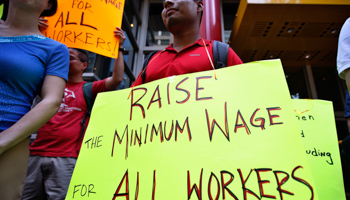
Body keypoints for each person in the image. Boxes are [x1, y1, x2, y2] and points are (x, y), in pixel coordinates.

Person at [21, 26, 125, 199]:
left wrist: (120, 48)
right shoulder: (48, 85)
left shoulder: (88, 89)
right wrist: (37, 32)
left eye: (69, 57)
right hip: (36, 154)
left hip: (66, 158)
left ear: (84, 65)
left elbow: (117, 79)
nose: (64, 60)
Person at [0, 0, 69, 199]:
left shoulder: (55, 50)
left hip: (9, 142)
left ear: (48, 5)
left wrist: (3, 142)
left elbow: (51, 101)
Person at [132, 0, 242, 86]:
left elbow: (248, 94)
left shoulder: (220, 53)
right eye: (164, 3)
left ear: (199, 6)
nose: (167, 3)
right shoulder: (151, 61)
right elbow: (131, 103)